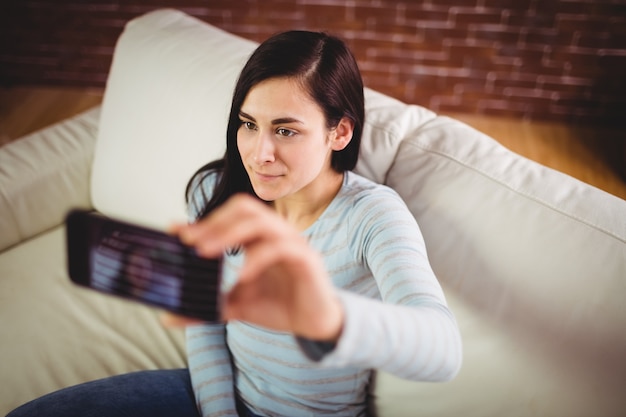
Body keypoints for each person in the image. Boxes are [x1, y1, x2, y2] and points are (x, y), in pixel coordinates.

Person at [7, 30, 461, 417]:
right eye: (249, 124)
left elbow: (442, 350)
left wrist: (327, 316)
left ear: (339, 132)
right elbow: (204, 324)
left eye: (286, 130)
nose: (259, 154)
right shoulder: (213, 190)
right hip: (213, 399)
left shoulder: (372, 215)